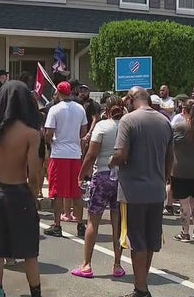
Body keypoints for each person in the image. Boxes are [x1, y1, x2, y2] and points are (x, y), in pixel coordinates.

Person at [0, 80, 42, 297]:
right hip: (20, 192)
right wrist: (34, 193)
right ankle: (35, 293)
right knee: (29, 252)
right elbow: (34, 174)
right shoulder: (31, 133)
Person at [109, 86, 173, 297]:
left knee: (137, 241)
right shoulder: (164, 121)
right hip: (156, 191)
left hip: (133, 192)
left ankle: (141, 289)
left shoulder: (129, 121)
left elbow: (121, 154)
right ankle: (141, 282)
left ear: (131, 99)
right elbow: (170, 158)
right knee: (151, 240)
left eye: (126, 99)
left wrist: (111, 161)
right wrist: (162, 180)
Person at [72, 95, 125, 279]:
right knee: (117, 222)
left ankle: (86, 264)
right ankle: (117, 264)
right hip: (121, 179)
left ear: (107, 110)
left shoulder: (102, 126)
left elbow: (91, 154)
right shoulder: (127, 126)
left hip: (102, 176)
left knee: (93, 221)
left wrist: (81, 175)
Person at [43, 81, 88, 238]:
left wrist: (51, 142)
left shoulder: (55, 109)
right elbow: (84, 131)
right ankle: (80, 223)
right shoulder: (80, 108)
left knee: (57, 192)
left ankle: (57, 224)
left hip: (59, 153)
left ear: (58, 93)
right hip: (74, 153)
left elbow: (49, 133)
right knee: (76, 191)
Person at [170, 99, 194, 242]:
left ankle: (185, 232)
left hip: (181, 170)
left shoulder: (180, 127)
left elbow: (169, 143)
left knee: (184, 203)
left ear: (184, 111)